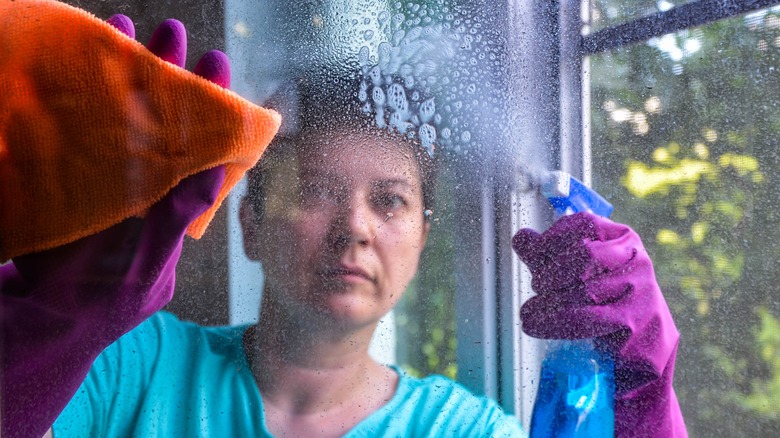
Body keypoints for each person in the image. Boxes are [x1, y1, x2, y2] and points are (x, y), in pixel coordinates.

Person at [1, 14, 686, 438]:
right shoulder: (125, 364)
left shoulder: (463, 432)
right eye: (318, 190)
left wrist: (643, 400)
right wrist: (45, 332)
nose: (353, 227)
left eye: (389, 201)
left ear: (423, 235)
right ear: (249, 222)